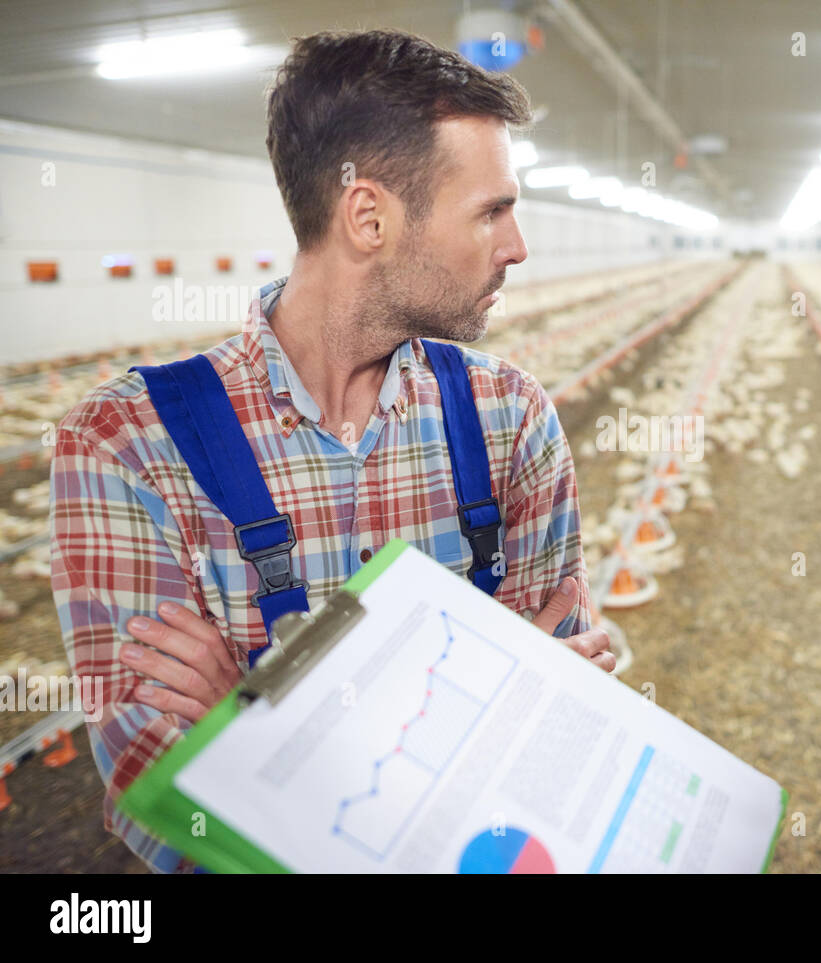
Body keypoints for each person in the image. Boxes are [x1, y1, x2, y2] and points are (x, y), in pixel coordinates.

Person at [49, 30, 612, 874]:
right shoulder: (127, 445)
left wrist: (244, 721)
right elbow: (164, 804)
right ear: (369, 216)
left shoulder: (510, 418)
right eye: (491, 211)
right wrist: (466, 727)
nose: (517, 245)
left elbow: (551, 744)